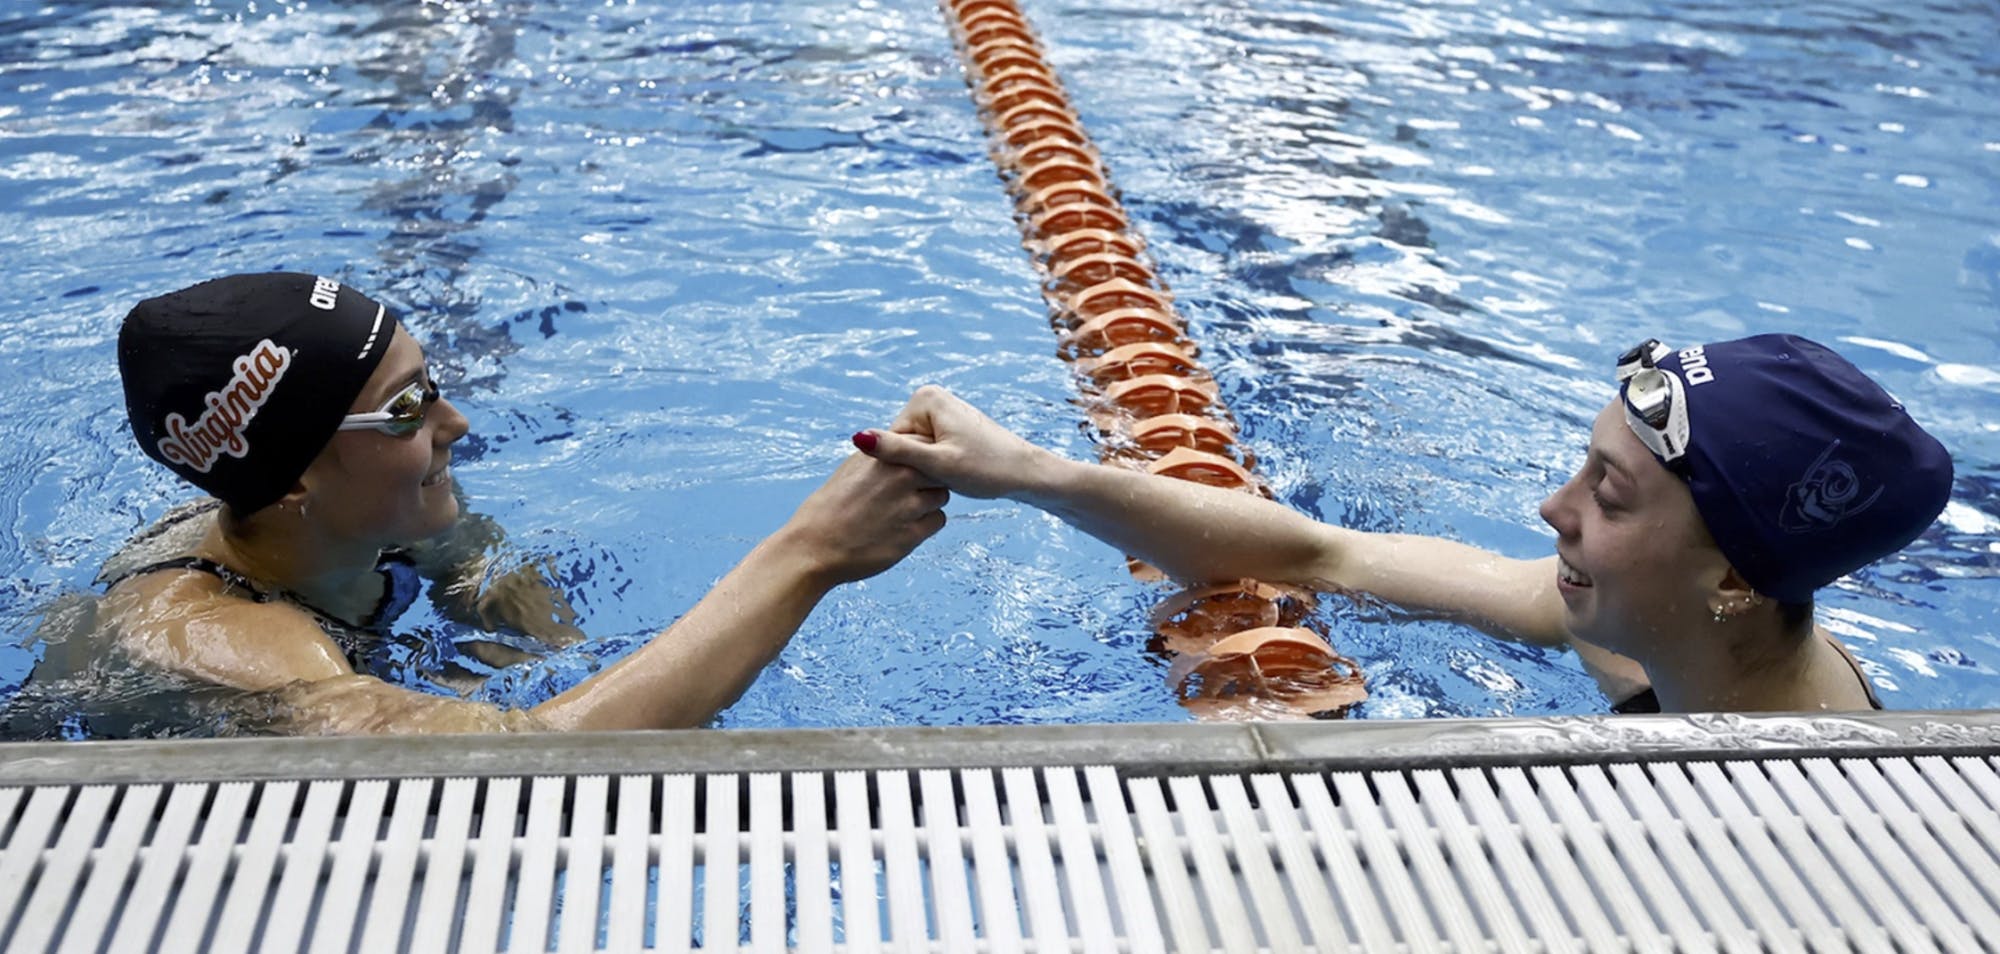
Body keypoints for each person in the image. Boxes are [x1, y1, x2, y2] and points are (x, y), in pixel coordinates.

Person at [856, 335, 1954, 713]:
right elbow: (1316, 554)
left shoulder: (1808, 810)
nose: (1549, 510)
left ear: (1733, 579)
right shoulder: (1637, 625)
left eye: (1605, 498)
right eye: (1581, 467)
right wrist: (1030, 473)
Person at [86, 272, 948, 734]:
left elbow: (499, 583)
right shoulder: (223, 642)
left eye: (435, 386)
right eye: (407, 410)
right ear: (291, 480)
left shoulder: (374, 515)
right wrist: (807, 554)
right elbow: (522, 776)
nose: (456, 422)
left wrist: (551, 665)